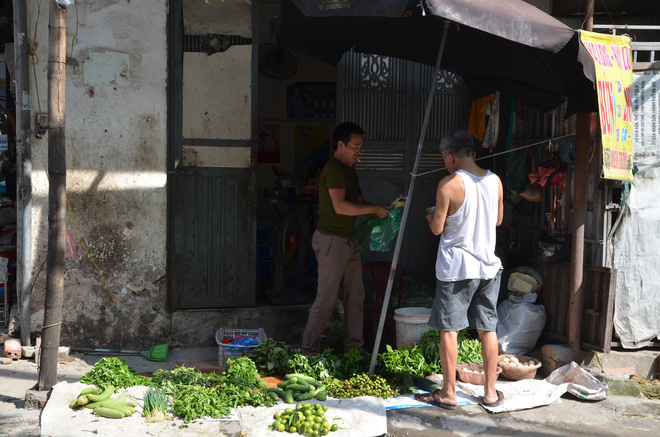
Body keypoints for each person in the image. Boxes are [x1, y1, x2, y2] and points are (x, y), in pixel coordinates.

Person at [415, 130, 504, 409]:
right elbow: (498, 220)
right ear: (474, 154)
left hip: (457, 268)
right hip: (488, 267)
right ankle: (490, 393)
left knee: (449, 331)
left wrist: (431, 216)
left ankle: (449, 392)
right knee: (488, 329)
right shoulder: (495, 180)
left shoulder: (448, 184)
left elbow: (437, 228)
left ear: (449, 157)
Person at [301, 122, 390, 357]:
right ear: (340, 145)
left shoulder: (349, 171)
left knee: (356, 296)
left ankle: (353, 349)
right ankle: (309, 351)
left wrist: (382, 208)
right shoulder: (333, 170)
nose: (358, 151)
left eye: (361, 147)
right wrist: (374, 209)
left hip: (346, 242)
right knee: (327, 299)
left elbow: (359, 203)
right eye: (355, 147)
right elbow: (341, 207)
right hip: (331, 241)